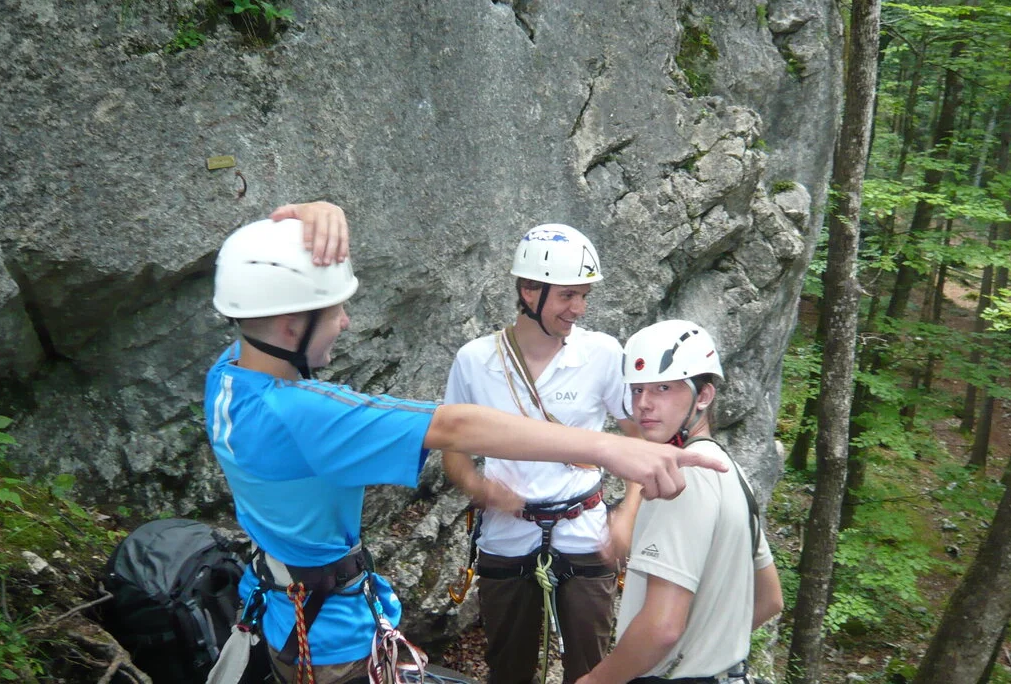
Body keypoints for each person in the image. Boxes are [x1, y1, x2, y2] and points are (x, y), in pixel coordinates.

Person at [203, 204, 729, 684]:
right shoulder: (306, 415)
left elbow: (259, 301)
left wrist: (307, 220)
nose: (346, 322)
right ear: (291, 326)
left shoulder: (229, 379)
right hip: (334, 641)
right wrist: (608, 449)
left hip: (284, 614)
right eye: (336, 308)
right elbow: (455, 428)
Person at [441, 224, 640, 684]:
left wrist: (627, 516)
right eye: (568, 295)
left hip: (584, 531)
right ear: (529, 291)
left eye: (583, 295)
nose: (579, 308)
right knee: (508, 670)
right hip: (507, 535)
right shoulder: (476, 361)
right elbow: (452, 450)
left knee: (591, 671)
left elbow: (640, 442)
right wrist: (479, 487)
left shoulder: (602, 354)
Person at [577, 320, 784, 684]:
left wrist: (595, 681)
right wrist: (706, 648)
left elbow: (661, 627)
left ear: (703, 396)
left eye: (663, 388)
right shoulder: (729, 471)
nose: (644, 404)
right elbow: (769, 599)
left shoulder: (678, 480)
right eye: (637, 389)